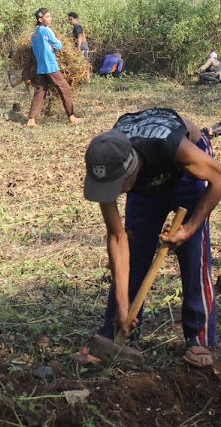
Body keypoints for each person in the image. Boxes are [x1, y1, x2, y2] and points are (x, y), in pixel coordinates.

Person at [83, 108, 220, 368]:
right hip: (147, 181)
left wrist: (189, 228)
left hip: (184, 172)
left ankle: (199, 337)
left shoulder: (173, 146)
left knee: (193, 252)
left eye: (116, 189)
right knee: (135, 248)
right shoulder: (106, 161)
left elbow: (218, 177)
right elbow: (117, 237)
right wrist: (123, 304)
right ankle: (118, 326)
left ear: (131, 172)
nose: (111, 194)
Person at [27, 8, 80, 127]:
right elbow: (59, 45)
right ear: (40, 19)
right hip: (50, 66)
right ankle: (72, 117)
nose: (50, 19)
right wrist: (55, 46)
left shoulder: (34, 33)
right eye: (47, 17)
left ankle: (31, 120)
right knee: (65, 89)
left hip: (41, 67)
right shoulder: (46, 30)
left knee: (40, 92)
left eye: (50, 16)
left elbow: (35, 51)